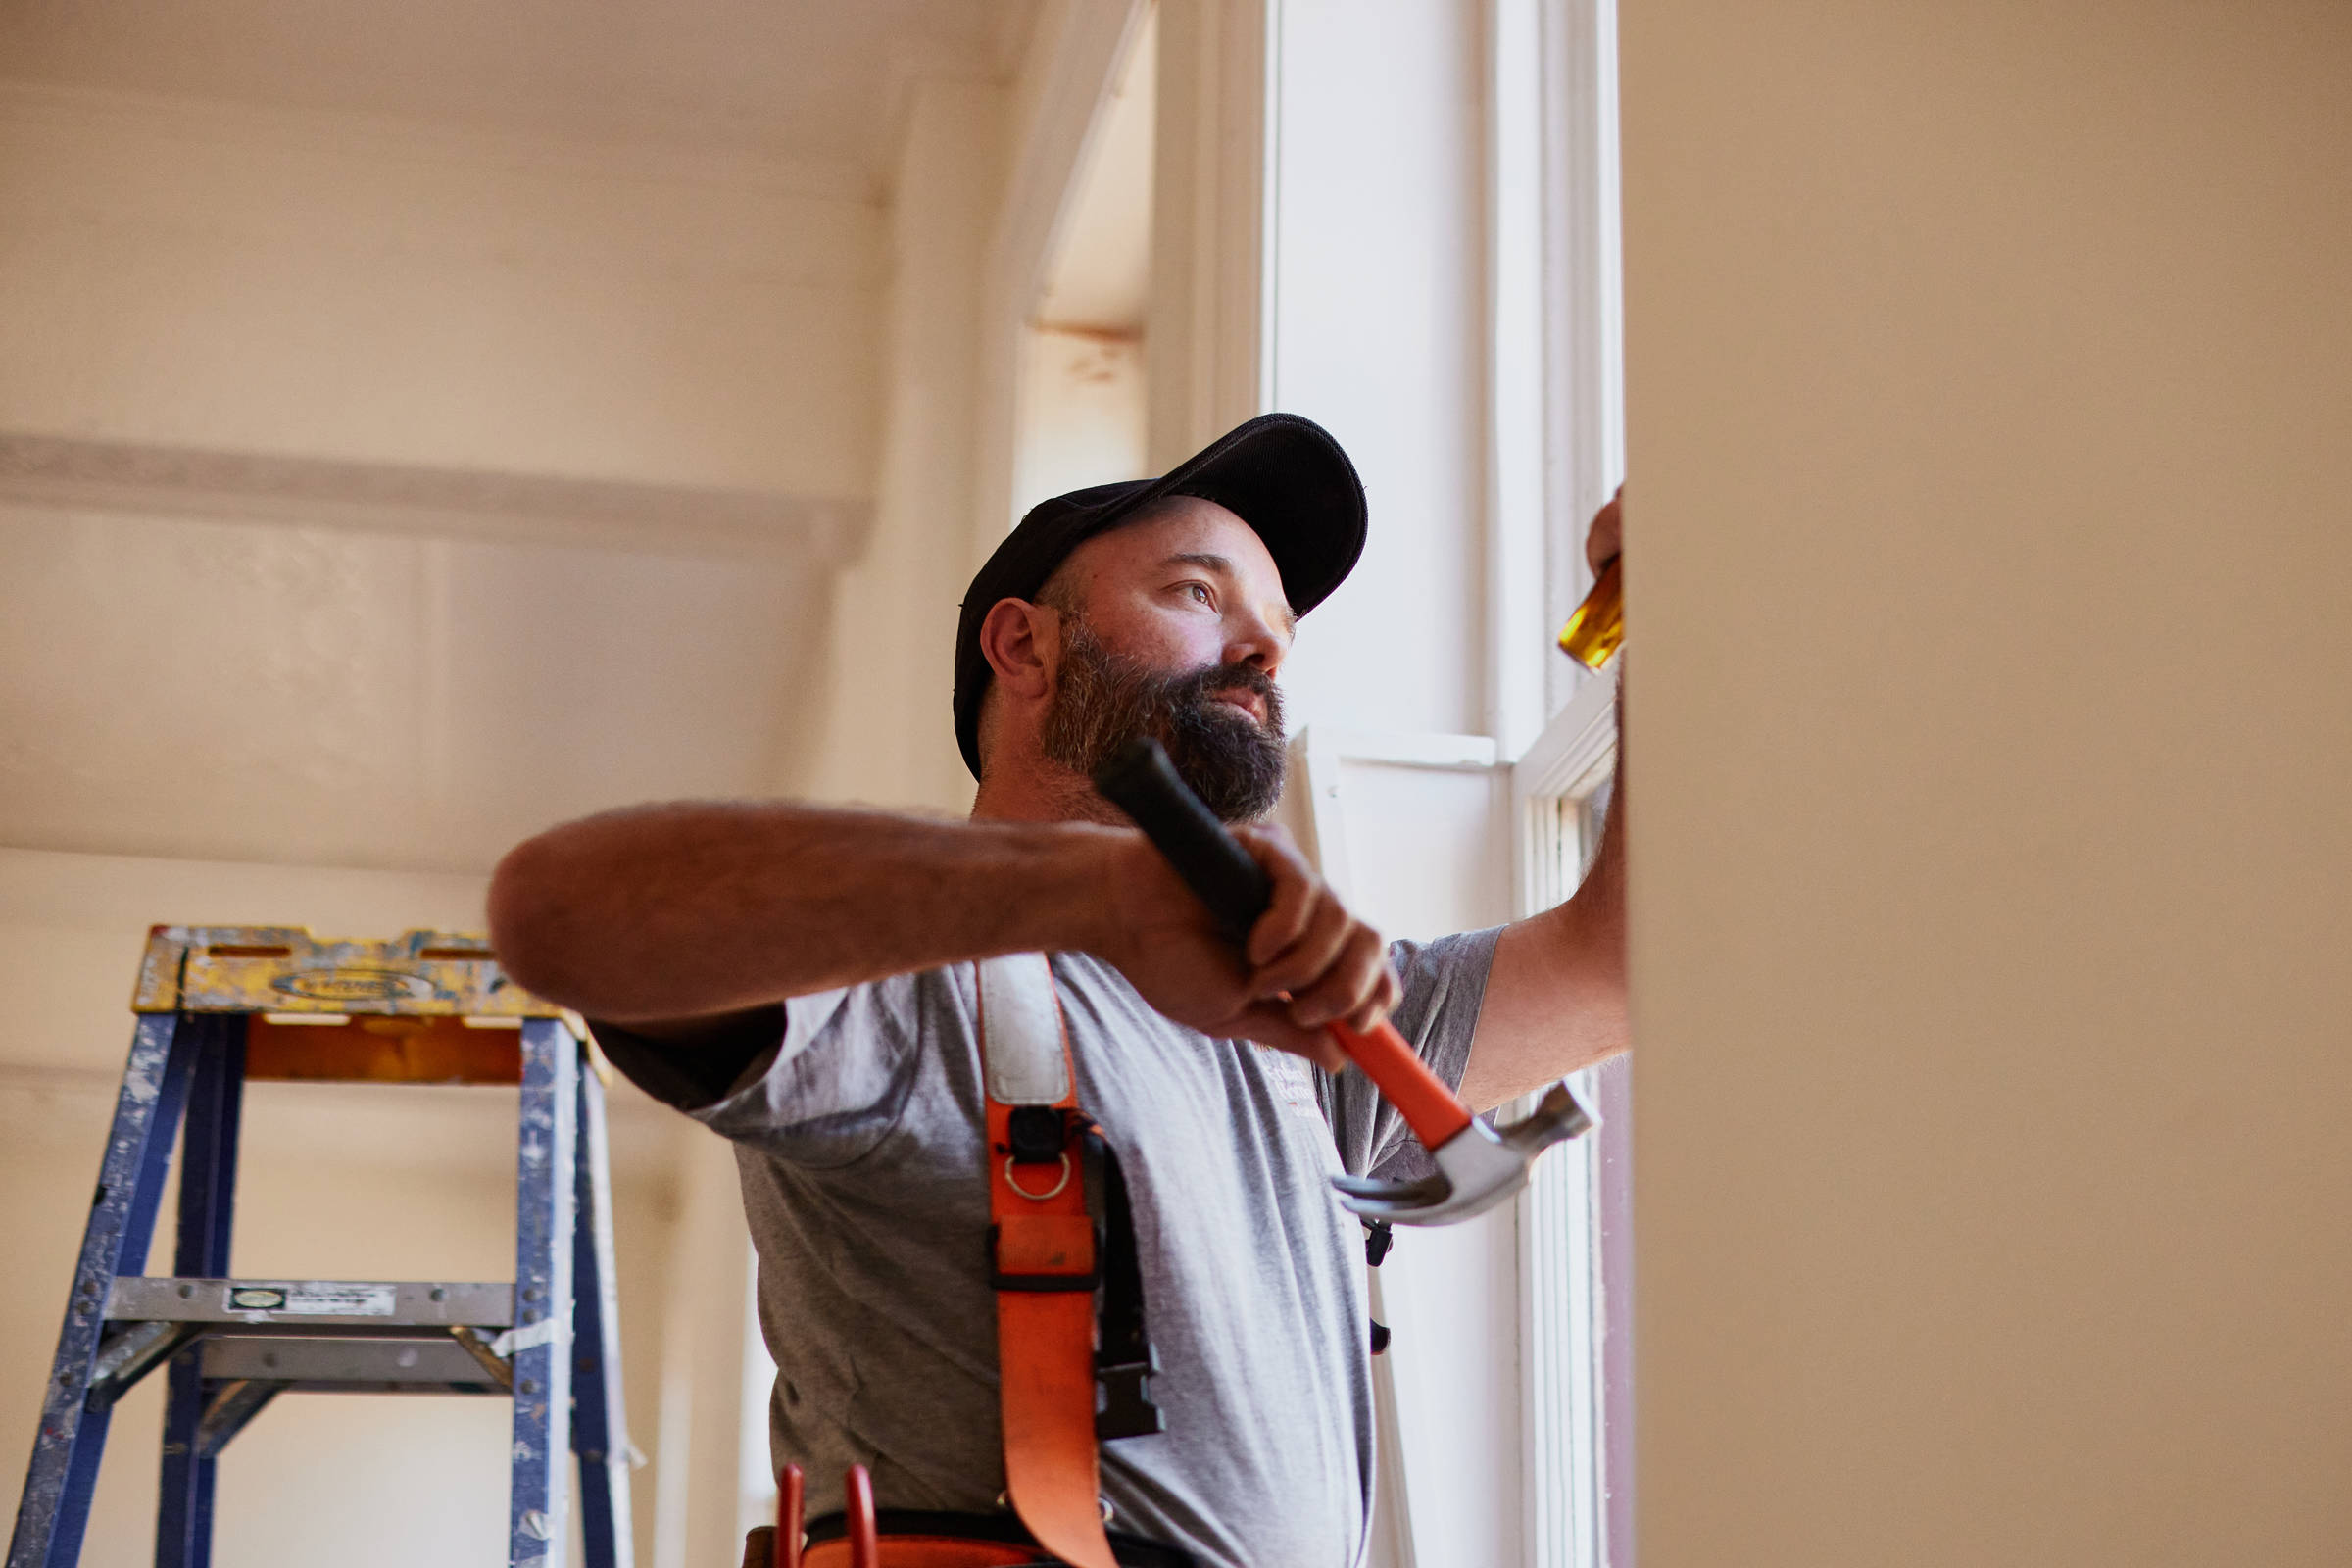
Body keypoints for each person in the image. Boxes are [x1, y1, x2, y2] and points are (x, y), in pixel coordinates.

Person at [488, 413, 1627, 1568]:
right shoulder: (910, 973)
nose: (1264, 650)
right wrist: (1108, 891)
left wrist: (1678, 616)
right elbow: (556, 913)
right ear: (1024, 648)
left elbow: (1627, 960)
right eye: (1199, 591)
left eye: (1279, 630)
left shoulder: (1303, 1029)